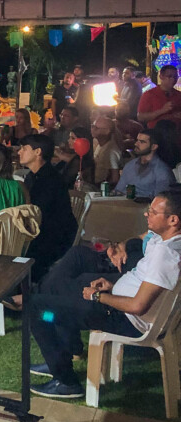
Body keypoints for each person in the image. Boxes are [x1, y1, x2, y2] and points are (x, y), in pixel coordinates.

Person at [29, 190, 181, 399]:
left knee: (37, 308)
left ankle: (66, 381)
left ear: (173, 220)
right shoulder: (165, 242)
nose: (147, 214)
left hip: (122, 317)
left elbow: (138, 306)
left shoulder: (167, 255)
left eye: (153, 212)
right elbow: (142, 283)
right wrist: (111, 285)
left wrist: (98, 297)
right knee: (60, 290)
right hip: (117, 304)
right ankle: (61, 355)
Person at [18, 134, 77, 282]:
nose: (19, 152)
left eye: (24, 148)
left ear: (38, 152)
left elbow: (38, 212)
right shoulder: (32, 176)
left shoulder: (50, 179)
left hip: (53, 239)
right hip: (41, 231)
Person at [116, 129, 177, 198]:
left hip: (146, 204)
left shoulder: (162, 171)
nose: (136, 144)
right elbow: (119, 190)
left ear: (154, 147)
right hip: (123, 202)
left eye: (142, 142)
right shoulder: (130, 165)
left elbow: (161, 199)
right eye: (137, 140)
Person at [91, 115, 123, 188]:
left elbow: (115, 179)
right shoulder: (98, 143)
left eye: (96, 128)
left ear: (107, 131)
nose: (92, 129)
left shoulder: (111, 151)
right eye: (92, 126)